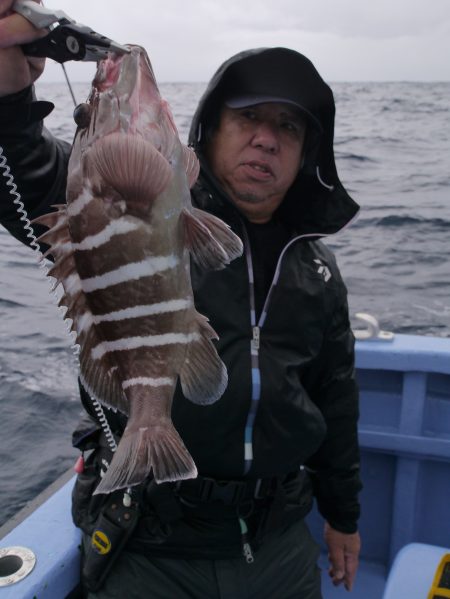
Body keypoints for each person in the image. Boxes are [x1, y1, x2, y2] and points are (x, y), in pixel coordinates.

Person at [0, 5, 362, 598]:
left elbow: (336, 397)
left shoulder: (318, 271)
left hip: (279, 541)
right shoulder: (132, 202)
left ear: (305, 155)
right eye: (248, 118)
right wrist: (10, 103)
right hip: (152, 541)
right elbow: (30, 170)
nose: (266, 139)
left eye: (288, 128)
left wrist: (343, 517)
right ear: (207, 130)